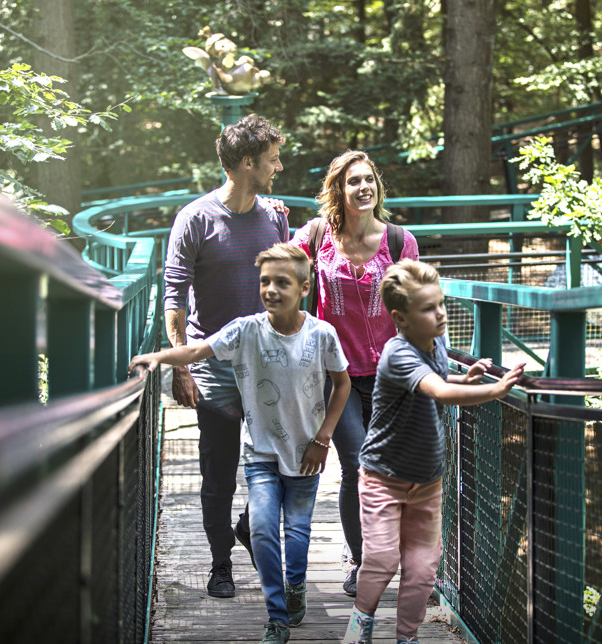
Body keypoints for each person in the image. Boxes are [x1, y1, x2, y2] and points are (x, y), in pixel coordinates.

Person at [134, 244, 352, 644]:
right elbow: (199, 349)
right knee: (266, 531)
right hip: (261, 453)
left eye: (281, 282)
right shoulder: (245, 330)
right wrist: (159, 357)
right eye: (265, 281)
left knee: (298, 533)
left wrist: (324, 438)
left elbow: (342, 384)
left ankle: (297, 585)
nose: (270, 289)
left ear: (304, 288)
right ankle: (277, 616)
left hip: (307, 453)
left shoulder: (323, 334)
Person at [341, 259, 525, 644]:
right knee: (382, 559)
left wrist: (465, 377)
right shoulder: (398, 353)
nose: (440, 314)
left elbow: (440, 379)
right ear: (401, 319)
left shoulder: (435, 341)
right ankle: (360, 626)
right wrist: (493, 390)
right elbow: (437, 391)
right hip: (383, 477)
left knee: (423, 569)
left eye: (440, 304)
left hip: (427, 480)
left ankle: (406, 638)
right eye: (428, 308)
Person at [163, 113, 289, 599]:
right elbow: (173, 295)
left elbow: (287, 282)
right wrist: (181, 364)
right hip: (212, 364)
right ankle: (220, 565)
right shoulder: (194, 219)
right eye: (271, 159)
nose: (277, 167)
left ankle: (247, 526)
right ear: (245, 163)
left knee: (280, 461)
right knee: (219, 470)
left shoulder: (275, 216)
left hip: (266, 361)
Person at [289, 150, 419, 597]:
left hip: (389, 377)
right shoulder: (319, 235)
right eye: (353, 182)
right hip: (337, 375)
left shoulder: (400, 241)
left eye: (369, 180)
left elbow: (417, 307)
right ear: (339, 191)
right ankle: (362, 561)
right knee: (357, 465)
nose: (363, 187)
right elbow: (280, 265)